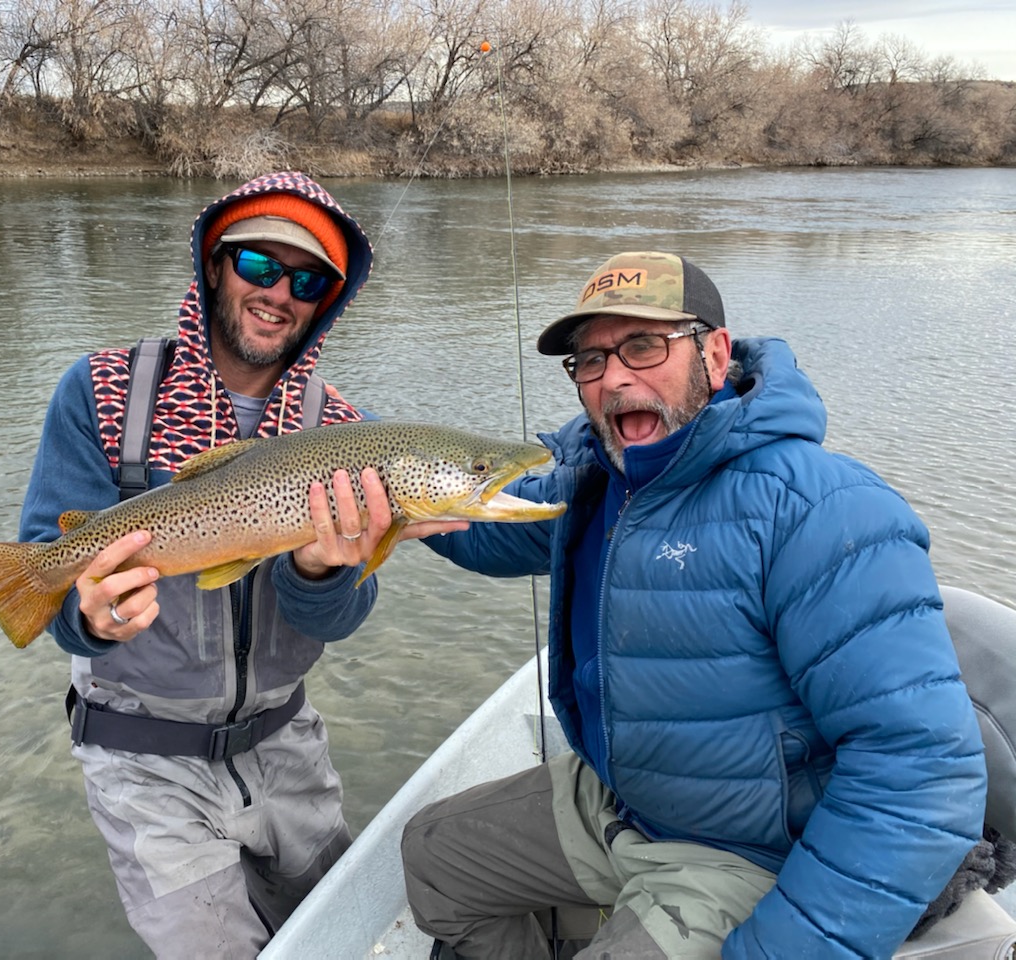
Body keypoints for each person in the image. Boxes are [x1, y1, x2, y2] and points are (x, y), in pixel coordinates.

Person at [399, 251, 988, 958]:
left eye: (643, 346)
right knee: (434, 858)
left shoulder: (826, 509)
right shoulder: (599, 484)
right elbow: (477, 525)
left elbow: (921, 771)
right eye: (590, 360)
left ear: (713, 351)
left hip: (750, 850)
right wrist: (342, 450)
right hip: (626, 804)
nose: (614, 377)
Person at [18, 171, 462, 959]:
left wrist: (324, 574)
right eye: (259, 265)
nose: (279, 293)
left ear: (326, 299)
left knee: (346, 937)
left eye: (307, 279)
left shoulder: (347, 432)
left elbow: (338, 619)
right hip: (141, 761)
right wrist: (87, 614)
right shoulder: (103, 391)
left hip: (287, 745)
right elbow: (55, 599)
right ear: (213, 266)